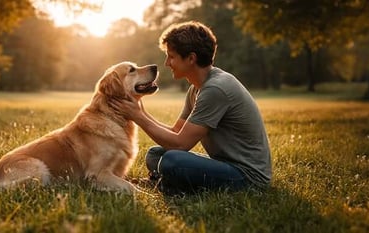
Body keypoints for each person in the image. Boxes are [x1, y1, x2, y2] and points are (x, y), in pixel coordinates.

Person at [110, 21, 272, 194]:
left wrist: (138, 117)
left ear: (191, 58)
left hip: (249, 176)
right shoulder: (196, 88)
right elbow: (175, 132)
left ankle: (170, 184)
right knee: (155, 154)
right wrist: (141, 112)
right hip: (226, 165)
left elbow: (181, 145)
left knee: (173, 159)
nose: (167, 63)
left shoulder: (215, 89)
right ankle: (170, 181)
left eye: (171, 56)